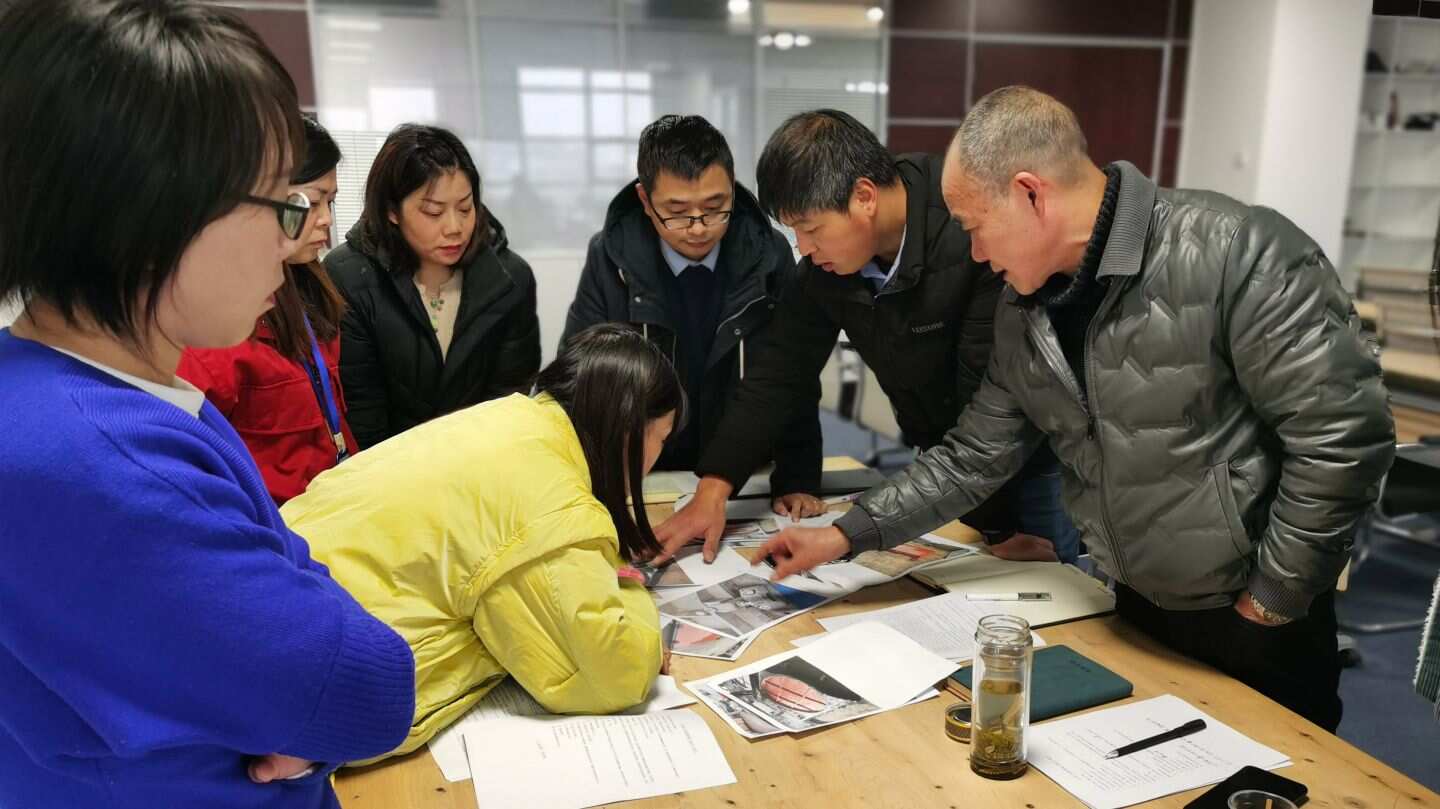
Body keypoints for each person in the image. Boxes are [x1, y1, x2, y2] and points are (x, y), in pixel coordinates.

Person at [759, 86, 1395, 732]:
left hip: (1257, 619)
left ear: (1033, 193)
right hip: (1135, 609)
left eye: (976, 227)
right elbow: (975, 453)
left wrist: (1273, 599)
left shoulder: (1239, 251)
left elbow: (1344, 439)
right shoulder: (1024, 307)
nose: (975, 254)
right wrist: (848, 534)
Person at [0, 2, 415, 807]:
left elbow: (288, 566)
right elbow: (368, 686)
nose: (292, 239)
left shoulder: (112, 390)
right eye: (277, 201)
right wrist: (313, 695)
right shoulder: (89, 461)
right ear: (146, 210)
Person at [657, 108, 1079, 564]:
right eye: (795, 231)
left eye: (811, 228)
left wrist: (997, 526)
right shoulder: (827, 271)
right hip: (944, 468)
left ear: (863, 197)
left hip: (1029, 465)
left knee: (1051, 599)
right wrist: (713, 488)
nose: (804, 247)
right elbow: (776, 376)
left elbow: (988, 407)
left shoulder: (969, 235)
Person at [281, 324, 677, 760]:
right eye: (662, 437)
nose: (659, 457)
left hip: (274, 597)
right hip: (305, 677)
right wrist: (632, 592)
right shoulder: (550, 496)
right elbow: (610, 673)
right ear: (629, 429)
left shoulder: (511, 419)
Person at [563, 114, 825, 520]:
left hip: (744, 473)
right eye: (678, 211)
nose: (698, 228)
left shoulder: (768, 256)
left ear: (733, 193)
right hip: (647, 477)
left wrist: (797, 479)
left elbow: (793, 373)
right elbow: (583, 380)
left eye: (715, 207)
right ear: (645, 201)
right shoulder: (613, 257)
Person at [325, 124, 540, 449]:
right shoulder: (349, 278)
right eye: (433, 212)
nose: (455, 228)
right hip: (388, 476)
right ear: (391, 211)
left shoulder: (510, 278)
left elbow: (507, 402)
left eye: (466, 208)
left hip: (483, 465)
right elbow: (363, 413)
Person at [179, 115, 357, 504]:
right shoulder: (213, 324)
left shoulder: (313, 287)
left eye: (331, 201)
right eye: (310, 203)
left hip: (335, 504)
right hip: (276, 523)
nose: (326, 219)